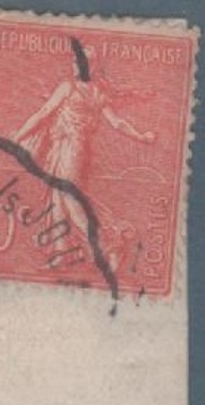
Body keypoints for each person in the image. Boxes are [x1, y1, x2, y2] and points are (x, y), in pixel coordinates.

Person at [12, 36, 155, 261]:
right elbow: (117, 123)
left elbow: (43, 113)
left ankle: (108, 244)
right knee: (57, 198)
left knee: (69, 198)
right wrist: (141, 136)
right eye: (74, 61)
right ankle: (61, 252)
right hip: (69, 148)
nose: (75, 65)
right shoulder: (99, 92)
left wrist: (18, 136)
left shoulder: (68, 87)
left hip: (71, 148)